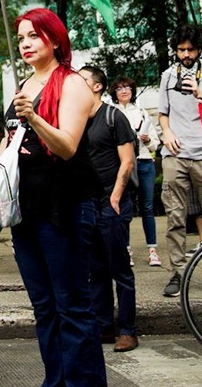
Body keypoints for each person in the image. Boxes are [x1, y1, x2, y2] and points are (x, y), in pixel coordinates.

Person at [0, 9, 105, 386]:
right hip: (25, 210)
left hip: (63, 206)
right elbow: (11, 142)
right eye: (20, 39)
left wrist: (33, 117)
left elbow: (67, 146)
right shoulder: (24, 87)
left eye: (33, 36)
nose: (26, 44)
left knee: (72, 307)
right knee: (44, 308)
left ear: (54, 38)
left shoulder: (72, 83)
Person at [158, 24, 202, 297]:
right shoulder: (167, 75)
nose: (185, 55)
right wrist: (166, 132)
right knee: (175, 216)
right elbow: (163, 113)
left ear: (199, 49)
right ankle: (177, 272)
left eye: (190, 50)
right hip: (176, 153)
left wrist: (201, 94)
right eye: (180, 50)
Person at [80, 65, 138, 353]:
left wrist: (115, 196)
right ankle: (103, 327)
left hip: (112, 203)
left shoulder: (114, 117)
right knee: (96, 269)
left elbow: (127, 161)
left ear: (97, 86)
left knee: (119, 268)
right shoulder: (76, 119)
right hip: (87, 204)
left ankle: (128, 330)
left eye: (82, 80)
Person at [112, 77, 160, 268]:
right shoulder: (112, 113)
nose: (124, 91)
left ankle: (153, 251)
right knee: (126, 208)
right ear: (114, 93)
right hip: (123, 164)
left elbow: (156, 144)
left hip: (145, 162)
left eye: (127, 88)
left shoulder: (142, 113)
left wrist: (147, 140)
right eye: (119, 88)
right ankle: (126, 250)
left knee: (148, 208)